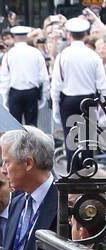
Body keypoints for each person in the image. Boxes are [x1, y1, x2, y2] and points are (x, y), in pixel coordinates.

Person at [50, 15, 106, 150]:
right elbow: (102, 86)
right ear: (86, 35)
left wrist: (56, 108)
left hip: (68, 100)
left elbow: (56, 85)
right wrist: (102, 110)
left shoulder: (62, 56)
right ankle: (87, 167)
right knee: (88, 140)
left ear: (69, 34)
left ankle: (73, 167)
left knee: (70, 140)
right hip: (89, 99)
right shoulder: (94, 56)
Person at [0, 27, 48, 127]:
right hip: (31, 92)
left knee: (15, 128)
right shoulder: (36, 53)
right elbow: (43, 77)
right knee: (32, 128)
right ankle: (32, 143)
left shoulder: (9, 54)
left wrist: (5, 97)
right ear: (26, 36)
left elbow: (5, 79)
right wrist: (44, 96)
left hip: (15, 93)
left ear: (14, 37)